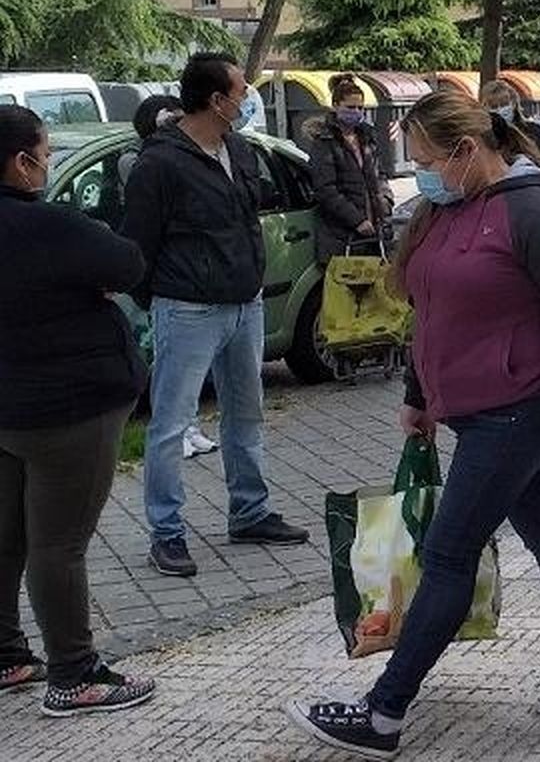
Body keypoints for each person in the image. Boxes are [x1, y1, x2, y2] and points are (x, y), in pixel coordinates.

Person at [283, 90, 540, 759]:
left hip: (521, 408)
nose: (421, 174)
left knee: (448, 554)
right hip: (472, 410)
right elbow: (429, 310)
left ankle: (383, 713)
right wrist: (418, 394)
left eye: (427, 161)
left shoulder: (538, 212)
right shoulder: (446, 208)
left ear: (468, 151)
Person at [121, 52, 310, 578]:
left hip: (245, 303)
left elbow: (249, 217)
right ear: (216, 100)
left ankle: (250, 512)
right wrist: (159, 298)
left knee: (246, 415)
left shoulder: (239, 148)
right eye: (241, 92)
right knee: (171, 425)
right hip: (187, 308)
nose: (248, 99)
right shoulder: (160, 163)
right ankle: (167, 533)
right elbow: (137, 243)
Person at [0, 104, 159, 717]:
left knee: (7, 537)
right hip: (68, 409)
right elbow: (127, 262)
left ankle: (7, 655)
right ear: (22, 162)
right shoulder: (50, 225)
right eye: (45, 153)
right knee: (58, 545)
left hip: (9, 409)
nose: (47, 164)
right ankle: (74, 674)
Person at [118, 94, 218, 462]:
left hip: (189, 278)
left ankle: (190, 426)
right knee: (168, 361)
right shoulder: (138, 160)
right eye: (171, 120)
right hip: (161, 276)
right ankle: (174, 432)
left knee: (189, 364)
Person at [307, 73, 395, 265]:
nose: (356, 112)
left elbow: (379, 175)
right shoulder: (325, 141)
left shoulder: (367, 137)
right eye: (350, 107)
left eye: (360, 108)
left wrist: (386, 203)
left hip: (375, 232)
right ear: (335, 106)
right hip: (342, 236)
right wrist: (356, 220)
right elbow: (325, 189)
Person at [479, 79, 540, 166]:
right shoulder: (485, 137)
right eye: (494, 107)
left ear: (514, 103)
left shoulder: (534, 131)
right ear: (485, 108)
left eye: (504, 104)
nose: (500, 109)